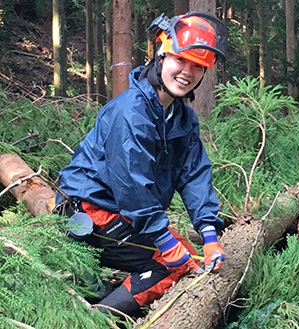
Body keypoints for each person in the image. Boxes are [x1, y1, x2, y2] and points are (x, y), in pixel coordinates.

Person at [55, 11, 227, 317]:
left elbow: (195, 175)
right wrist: (163, 240)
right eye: (181, 60)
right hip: (88, 208)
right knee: (172, 265)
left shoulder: (183, 119)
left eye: (198, 66)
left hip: (121, 210)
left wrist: (210, 234)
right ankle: (94, 320)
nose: (187, 72)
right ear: (162, 55)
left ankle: (112, 294)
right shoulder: (130, 113)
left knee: (188, 254)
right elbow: (132, 185)